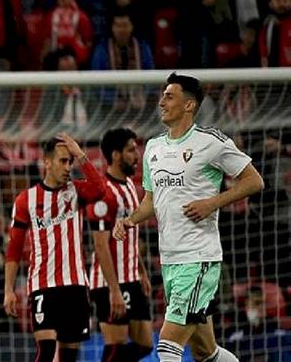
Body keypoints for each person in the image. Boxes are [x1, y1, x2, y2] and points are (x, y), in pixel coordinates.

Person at [113, 72, 265, 362]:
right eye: (162, 96)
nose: (161, 102)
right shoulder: (154, 149)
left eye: (169, 96)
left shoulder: (211, 142)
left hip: (198, 258)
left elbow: (254, 181)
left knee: (168, 345)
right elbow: (150, 201)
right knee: (206, 352)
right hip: (170, 259)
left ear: (189, 105)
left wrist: (212, 202)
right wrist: (130, 219)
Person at [3, 133, 105, 362]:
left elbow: (99, 190)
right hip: (43, 285)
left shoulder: (76, 191)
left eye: (70, 162)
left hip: (75, 285)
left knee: (69, 356)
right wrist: (9, 289)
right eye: (63, 161)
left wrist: (80, 154)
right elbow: (14, 249)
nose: (68, 167)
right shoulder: (25, 200)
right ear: (46, 162)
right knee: (47, 350)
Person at [85, 128, 153, 361]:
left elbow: (131, 236)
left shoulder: (131, 188)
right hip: (108, 282)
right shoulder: (103, 193)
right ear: (115, 155)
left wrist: (141, 271)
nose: (137, 155)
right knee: (115, 344)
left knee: (145, 344)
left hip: (131, 278)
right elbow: (101, 246)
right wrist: (114, 290)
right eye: (131, 150)